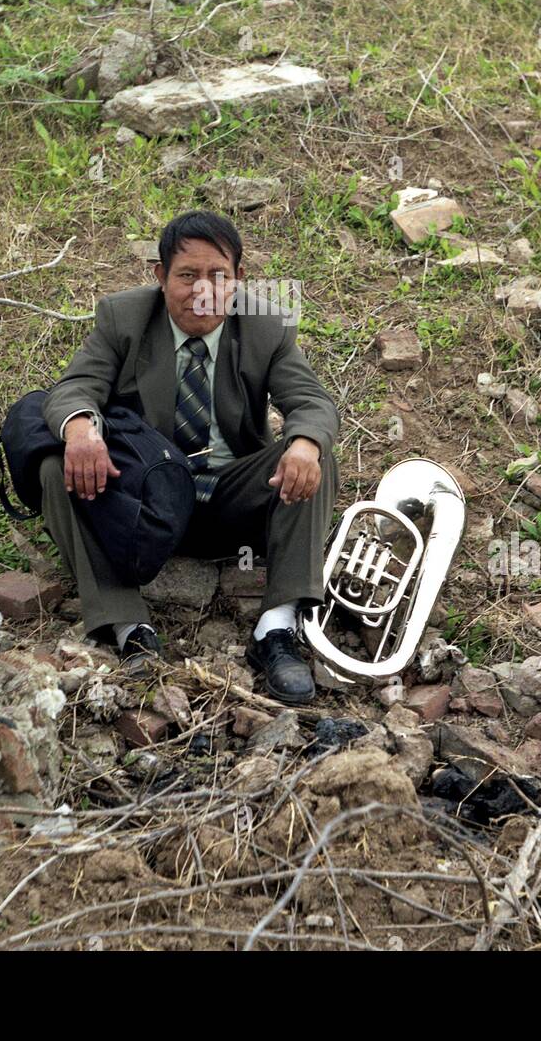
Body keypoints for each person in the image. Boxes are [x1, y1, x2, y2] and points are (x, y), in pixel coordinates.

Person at [39, 210, 339, 705]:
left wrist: (305, 442)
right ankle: (127, 625)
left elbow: (313, 404)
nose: (203, 290)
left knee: (311, 453)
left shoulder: (266, 326)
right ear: (159, 277)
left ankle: (278, 626)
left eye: (218, 275)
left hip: (229, 497)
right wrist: (80, 428)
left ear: (239, 279)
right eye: (186, 275)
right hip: (144, 506)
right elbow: (74, 388)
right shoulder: (124, 318)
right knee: (56, 465)